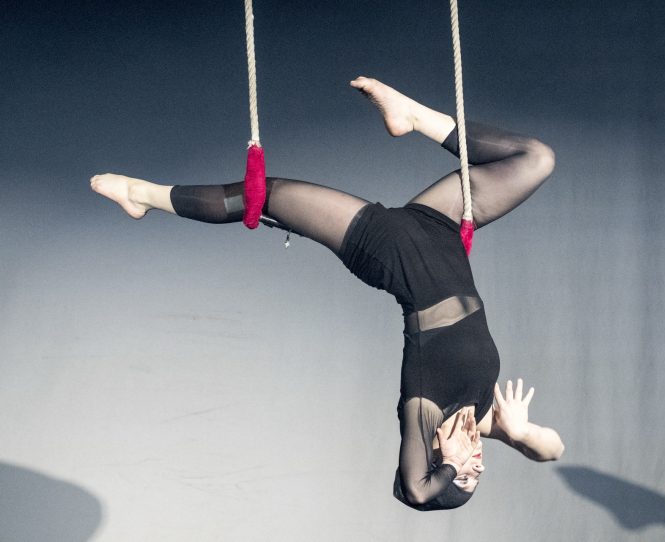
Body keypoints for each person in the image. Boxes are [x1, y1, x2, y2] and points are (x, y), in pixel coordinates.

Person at [91, 76, 565, 511]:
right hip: (438, 229)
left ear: (443, 460)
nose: (476, 465)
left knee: (265, 195)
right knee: (536, 159)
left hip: (388, 251)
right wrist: (520, 433)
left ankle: (143, 195)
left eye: (466, 476)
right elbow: (553, 452)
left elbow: (415, 491)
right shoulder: (483, 415)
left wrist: (448, 469)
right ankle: (413, 117)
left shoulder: (423, 410)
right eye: (479, 473)